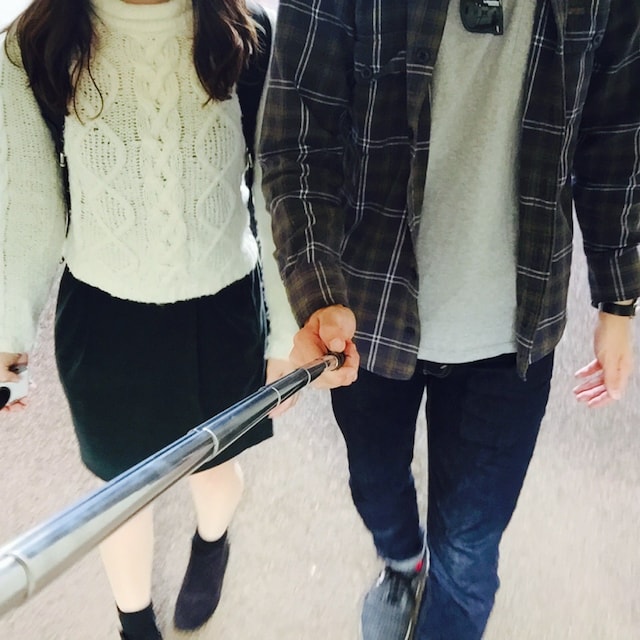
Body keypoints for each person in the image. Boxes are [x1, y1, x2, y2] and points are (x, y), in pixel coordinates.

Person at [260, 1, 640, 639]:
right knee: (375, 484)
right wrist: (314, 291)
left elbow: (616, 134)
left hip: (514, 328)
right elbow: (298, 129)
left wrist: (618, 299)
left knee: (468, 551)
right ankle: (403, 564)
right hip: (367, 311)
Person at [0, 0, 297, 638]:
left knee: (215, 472)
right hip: (105, 323)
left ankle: (212, 544)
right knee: (120, 495)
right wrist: (7, 334)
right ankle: (133, 623)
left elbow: (277, 185)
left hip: (223, 313)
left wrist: (286, 327)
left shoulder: (244, 28)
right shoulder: (33, 44)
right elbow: (26, 202)